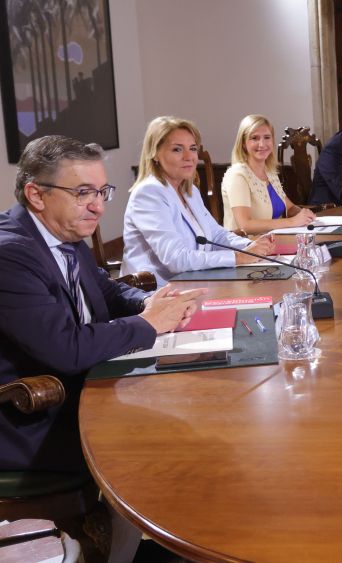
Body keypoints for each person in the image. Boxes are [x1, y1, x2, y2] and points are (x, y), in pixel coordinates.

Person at [0, 135, 203, 469]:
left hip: (89, 382)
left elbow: (106, 291)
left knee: (196, 402)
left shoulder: (63, 230)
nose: (99, 207)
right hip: (37, 417)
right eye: (83, 193)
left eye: (101, 192)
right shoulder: (10, 254)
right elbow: (66, 348)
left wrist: (151, 301)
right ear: (36, 195)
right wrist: (149, 322)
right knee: (175, 438)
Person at [121, 116, 276, 285]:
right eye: (177, 149)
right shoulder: (149, 193)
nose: (189, 156)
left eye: (193, 148)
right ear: (155, 154)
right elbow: (176, 259)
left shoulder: (189, 191)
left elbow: (216, 235)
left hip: (194, 281)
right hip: (156, 291)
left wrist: (251, 247)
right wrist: (237, 257)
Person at [221, 114, 316, 234]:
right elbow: (245, 225)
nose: (262, 144)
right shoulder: (237, 175)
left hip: (274, 239)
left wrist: (305, 215)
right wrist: (292, 222)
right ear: (243, 143)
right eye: (254, 138)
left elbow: (290, 208)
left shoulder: (269, 172)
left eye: (267, 137)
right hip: (247, 243)